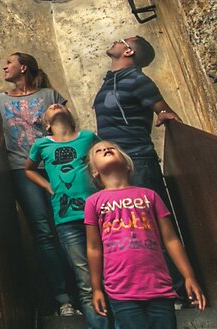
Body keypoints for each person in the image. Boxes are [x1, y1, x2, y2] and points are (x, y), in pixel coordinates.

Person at [0, 52, 76, 316]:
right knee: (42, 231)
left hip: (57, 167)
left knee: (71, 226)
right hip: (21, 169)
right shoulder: (0, 100)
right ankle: (63, 299)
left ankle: (85, 290)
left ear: (24, 67)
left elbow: (68, 131)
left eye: (10, 62)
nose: (4, 65)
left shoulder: (50, 96)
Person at [89, 35, 190, 302]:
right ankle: (139, 291)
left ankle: (178, 291)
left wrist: (164, 115)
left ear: (129, 50)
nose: (114, 41)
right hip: (116, 167)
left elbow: (163, 110)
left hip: (138, 160)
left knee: (154, 225)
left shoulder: (137, 79)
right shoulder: (110, 81)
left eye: (121, 40)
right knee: (127, 230)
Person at [84, 140, 206, 329]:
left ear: (127, 164)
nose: (106, 149)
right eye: (99, 151)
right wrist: (96, 289)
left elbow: (171, 239)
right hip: (121, 290)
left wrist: (189, 276)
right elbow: (93, 248)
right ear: (95, 172)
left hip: (159, 287)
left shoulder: (149, 196)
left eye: (111, 148)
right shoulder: (94, 202)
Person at [26, 103, 102, 328]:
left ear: (71, 116)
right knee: (85, 279)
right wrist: (47, 186)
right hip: (67, 221)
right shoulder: (42, 144)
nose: (55, 106)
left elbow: (104, 157)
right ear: (47, 125)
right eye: (49, 108)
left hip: (98, 214)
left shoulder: (87, 137)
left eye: (59, 105)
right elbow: (28, 169)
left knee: (111, 272)